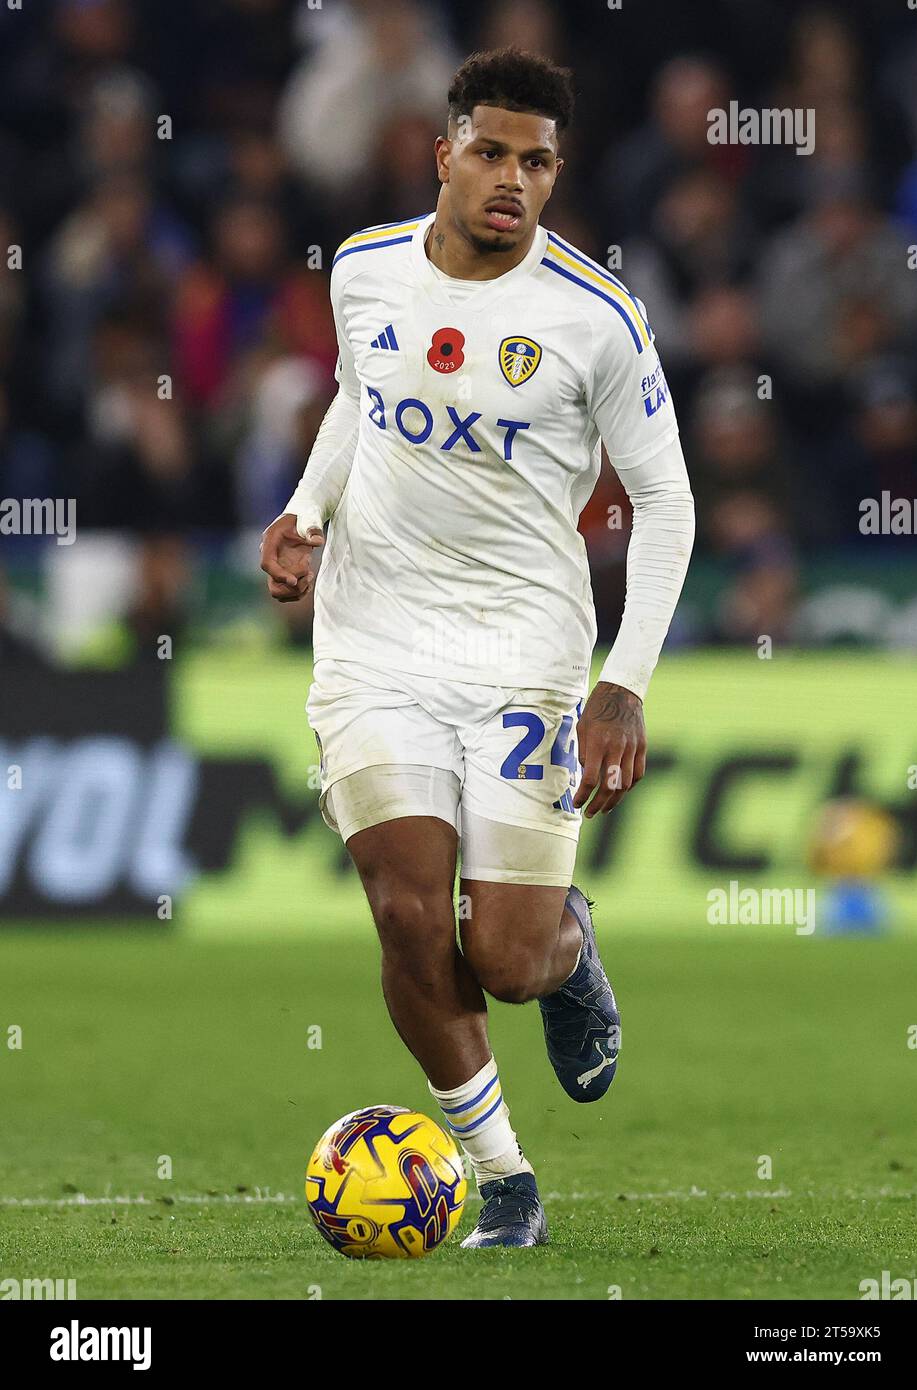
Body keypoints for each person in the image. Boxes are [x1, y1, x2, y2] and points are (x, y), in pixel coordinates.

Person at [260, 48, 695, 1250]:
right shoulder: (362, 269)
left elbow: (666, 503)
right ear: (443, 151)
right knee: (405, 911)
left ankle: (567, 948)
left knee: (502, 955)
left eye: (538, 162)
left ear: (558, 174)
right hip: (374, 641)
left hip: (524, 654)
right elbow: (357, 396)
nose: (513, 180)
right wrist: (307, 512)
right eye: (492, 152)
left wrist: (625, 683)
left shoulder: (594, 320)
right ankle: (501, 1174)